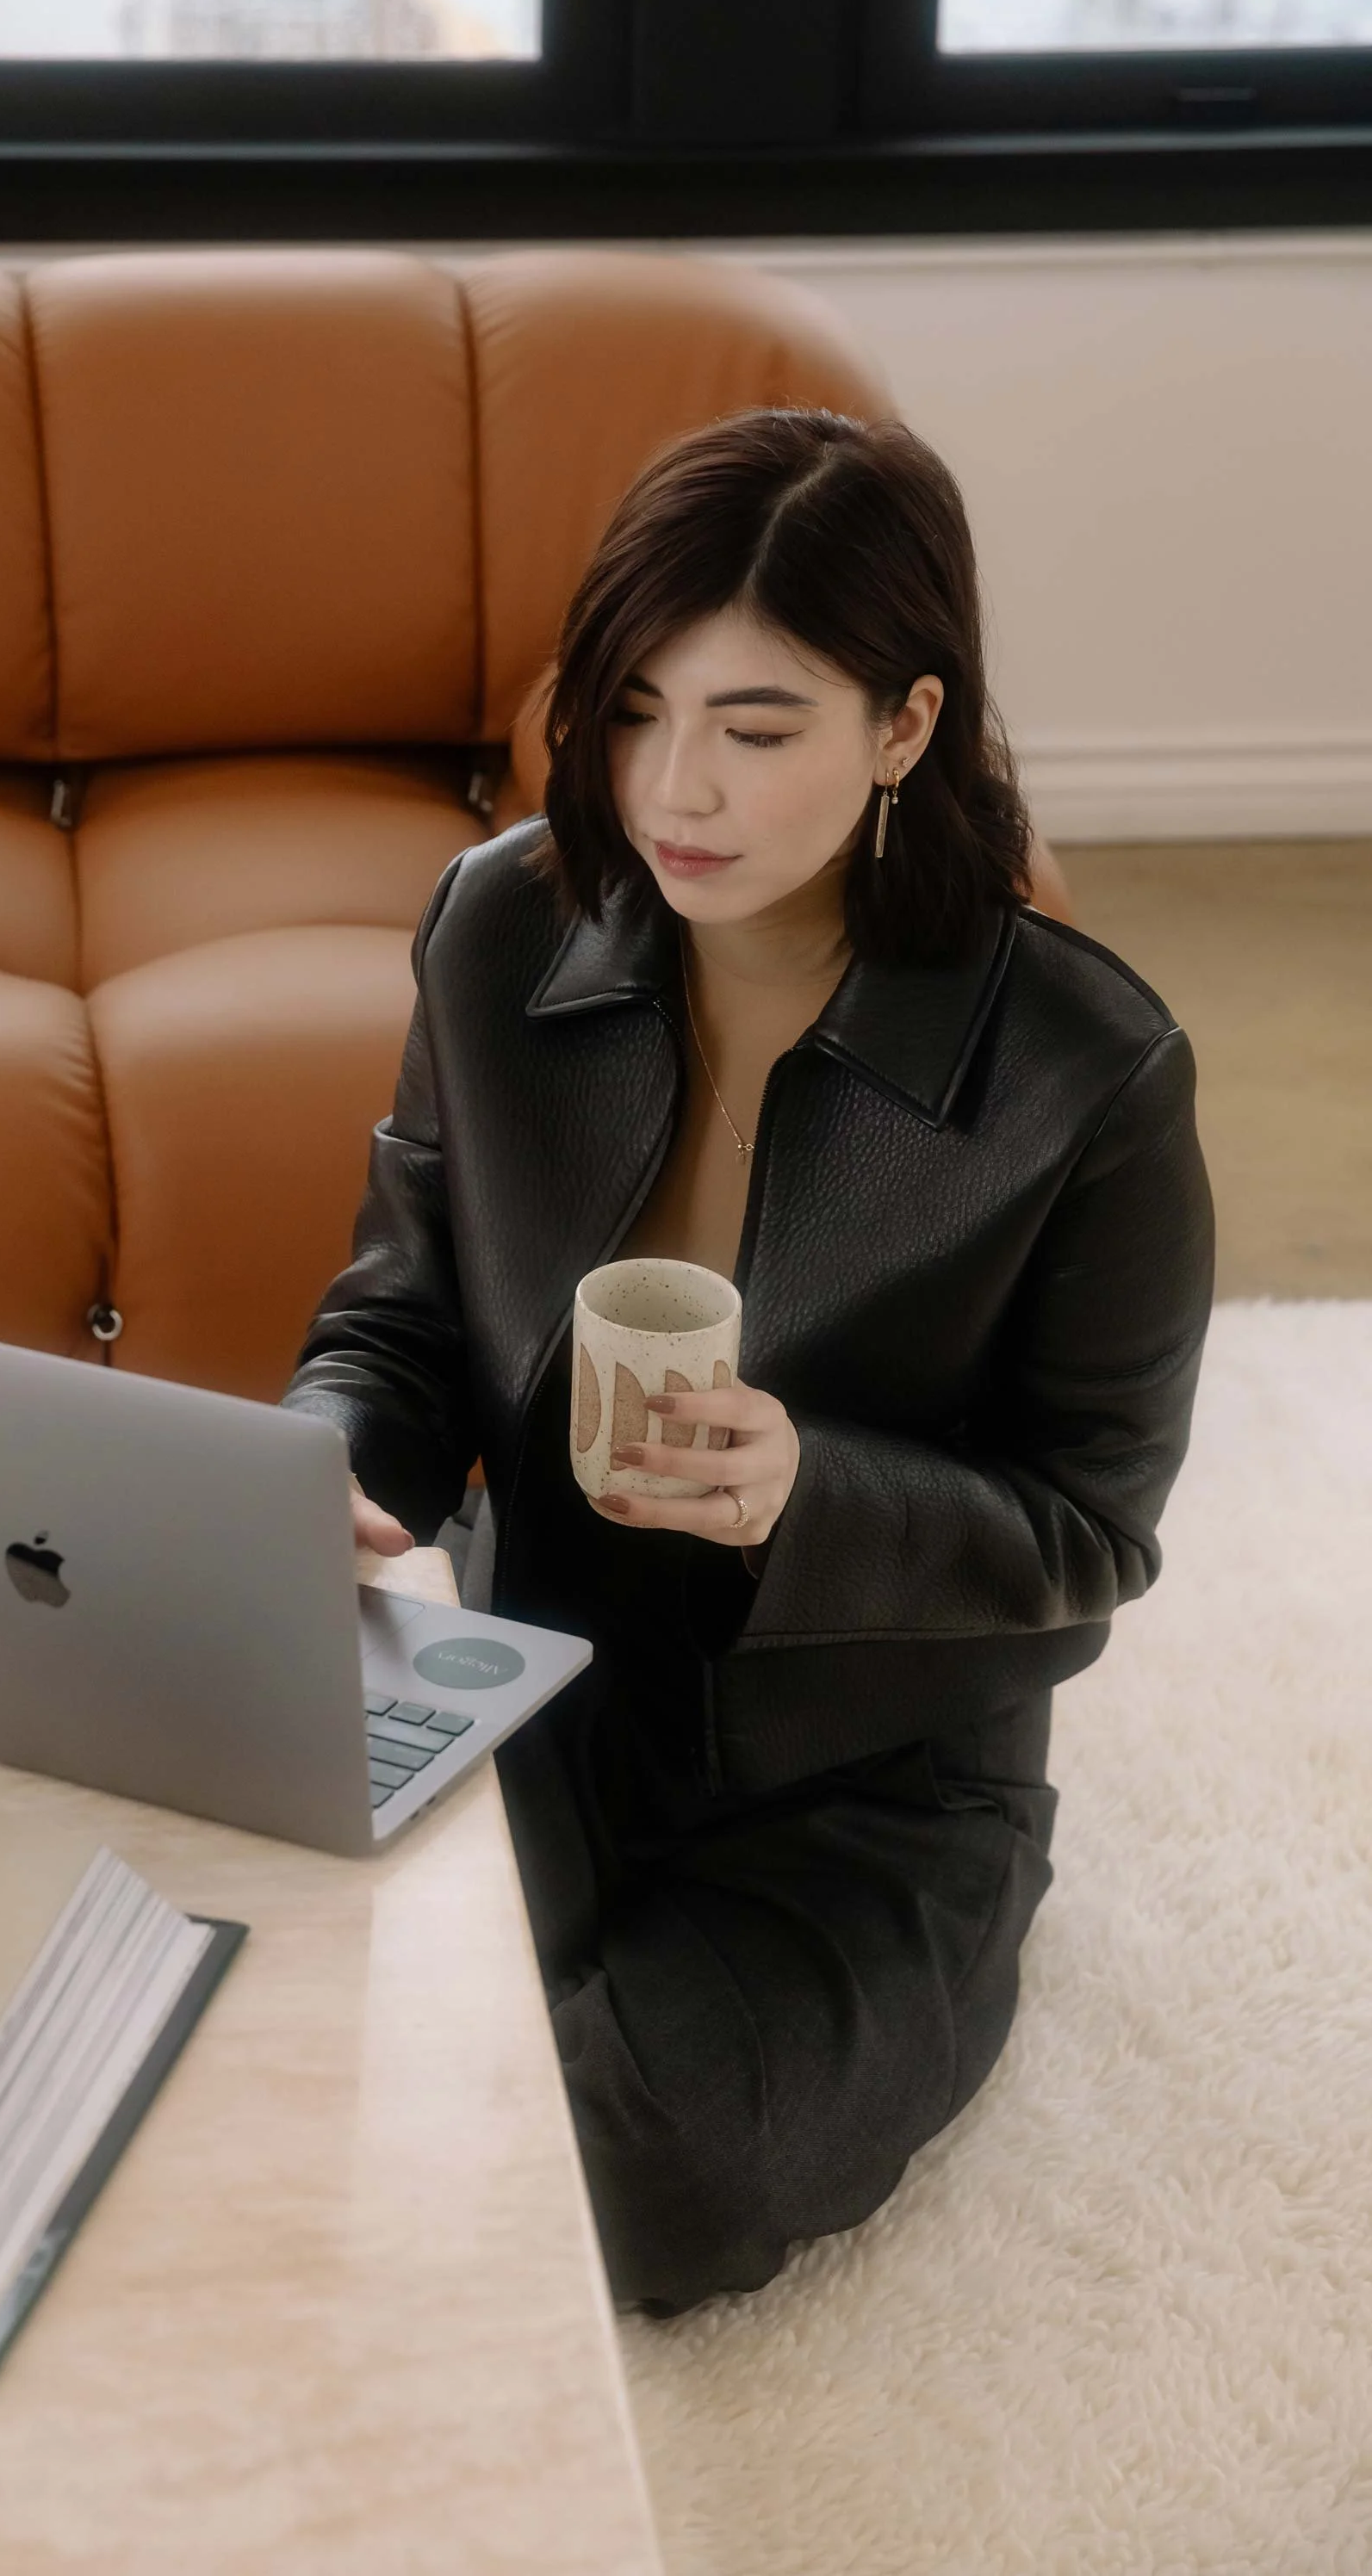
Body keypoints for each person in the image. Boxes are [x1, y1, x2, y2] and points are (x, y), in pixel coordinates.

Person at [279, 406, 1214, 2314]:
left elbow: (1092, 1531)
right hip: (532, 1674)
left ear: (905, 727)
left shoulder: (1086, 1080)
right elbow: (397, 1314)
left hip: (871, 1787)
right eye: (633, 709)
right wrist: (329, 1462)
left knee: (637, 2174)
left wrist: (815, 1495)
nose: (670, 788)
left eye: (757, 726)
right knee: (274, 2014)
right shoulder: (497, 933)